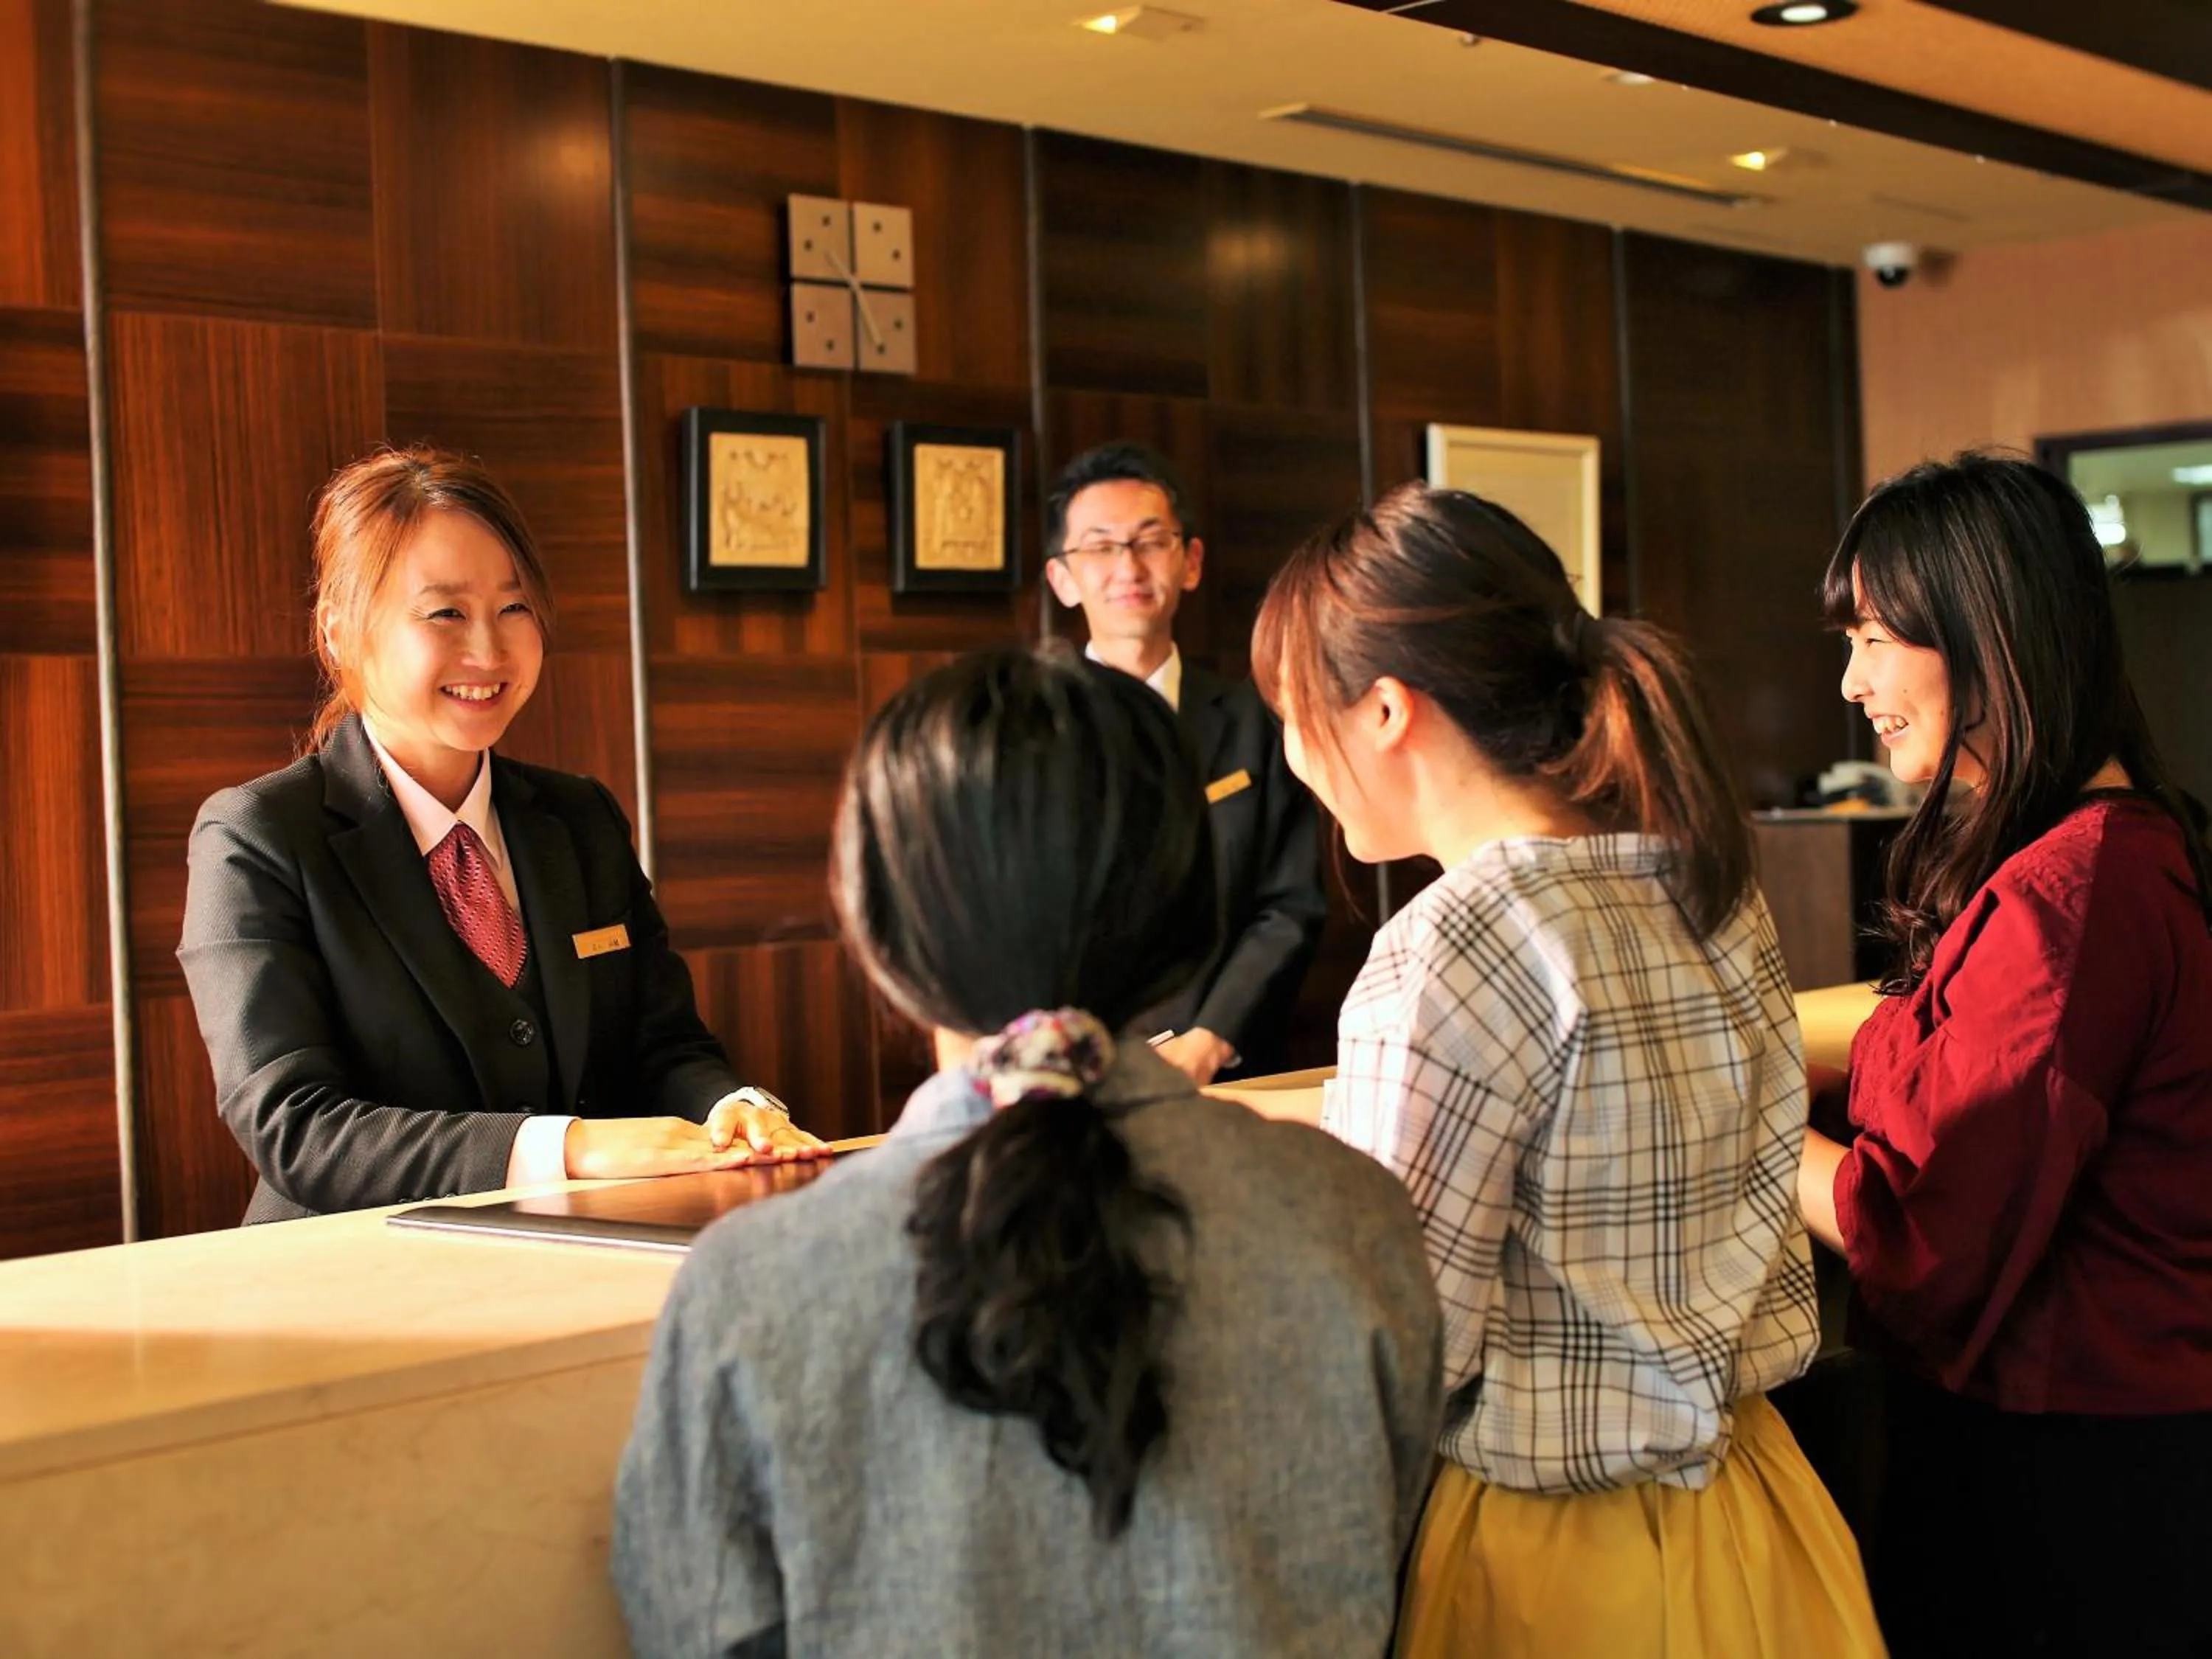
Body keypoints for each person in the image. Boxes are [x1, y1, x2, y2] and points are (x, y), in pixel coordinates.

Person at [613, 647, 1443, 1658]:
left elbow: (693, 1631)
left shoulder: (749, 1288)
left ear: (881, 930)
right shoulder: (1351, 1217)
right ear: (1189, 917)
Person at [1253, 482, 1883, 1658]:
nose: (1294, 757)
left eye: (1292, 714)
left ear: (1387, 710)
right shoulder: (1704, 886)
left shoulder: (1448, 943)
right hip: (1764, 1516)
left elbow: (1400, 1343)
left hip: (1555, 1566)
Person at [179, 446, 824, 1224]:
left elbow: (666, 1045)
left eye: (514, 609)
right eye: (445, 613)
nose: (488, 652)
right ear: (340, 635)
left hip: (586, 1264)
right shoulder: (257, 837)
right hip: (348, 1293)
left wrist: (733, 1108)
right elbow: (297, 1127)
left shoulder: (581, 818)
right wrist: (569, 1149)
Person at [1797, 453, 2212, 1658]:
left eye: (1875, 636)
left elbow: (1910, 1227)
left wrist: (1733, 1122)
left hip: (2077, 1471)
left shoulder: (2068, 898)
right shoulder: (2115, 846)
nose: (1853, 680)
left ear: (1988, 629)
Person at [1043, 442, 1326, 1084]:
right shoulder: (1029, 733)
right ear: (1062, 577)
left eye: (1151, 541)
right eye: (1100, 546)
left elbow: (1289, 907)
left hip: (1231, 1071)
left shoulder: (1256, 720)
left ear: (1190, 561)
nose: (1129, 566)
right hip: (1076, 1079)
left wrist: (1210, 1039)